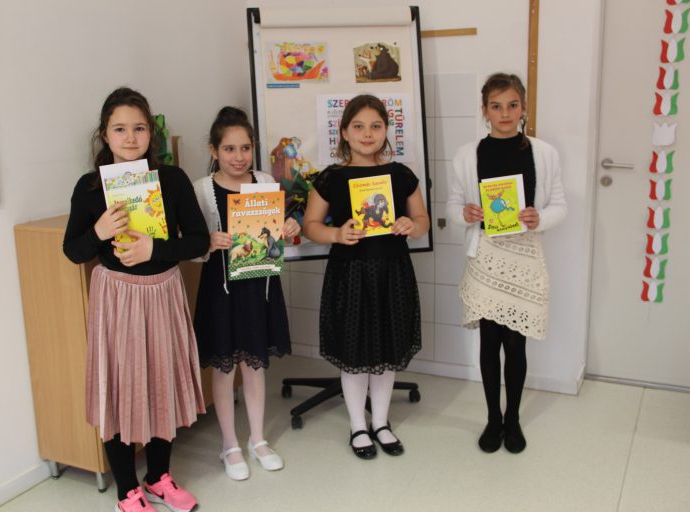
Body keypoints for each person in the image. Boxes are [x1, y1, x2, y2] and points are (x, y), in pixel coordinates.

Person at [63, 87, 209, 512]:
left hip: (163, 291)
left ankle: (158, 477)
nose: (130, 138)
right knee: (119, 388)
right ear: (105, 135)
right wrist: (99, 232)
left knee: (164, 382)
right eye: (120, 129)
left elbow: (198, 241)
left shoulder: (172, 180)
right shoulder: (90, 188)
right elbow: (73, 251)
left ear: (151, 134)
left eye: (140, 128)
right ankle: (127, 489)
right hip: (118, 298)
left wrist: (154, 249)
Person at [302, 94, 430, 460]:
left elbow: (422, 220)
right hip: (351, 275)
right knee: (354, 353)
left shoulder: (401, 175)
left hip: (392, 273)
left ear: (386, 130)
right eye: (358, 126)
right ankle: (358, 425)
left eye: (375, 126)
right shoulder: (331, 178)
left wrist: (411, 225)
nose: (367, 133)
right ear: (344, 132)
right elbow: (310, 226)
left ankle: (382, 422)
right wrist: (336, 233)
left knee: (388, 351)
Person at [446, 73, 567, 454]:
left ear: (523, 108)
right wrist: (465, 213)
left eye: (512, 105)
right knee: (489, 340)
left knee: (515, 343)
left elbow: (560, 205)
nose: (505, 113)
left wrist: (539, 218)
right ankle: (493, 419)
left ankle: (512, 418)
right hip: (485, 254)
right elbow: (452, 206)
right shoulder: (467, 155)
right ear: (484, 110)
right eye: (496, 106)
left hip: (524, 254)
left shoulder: (543, 153)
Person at [192, 107, 298, 480]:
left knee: (254, 364)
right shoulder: (202, 190)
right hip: (221, 291)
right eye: (229, 149)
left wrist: (289, 227)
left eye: (245, 148)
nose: (239, 157)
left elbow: (278, 233)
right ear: (214, 151)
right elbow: (192, 246)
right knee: (225, 369)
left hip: (258, 287)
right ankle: (229, 444)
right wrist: (208, 242)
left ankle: (257, 439)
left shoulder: (265, 181)